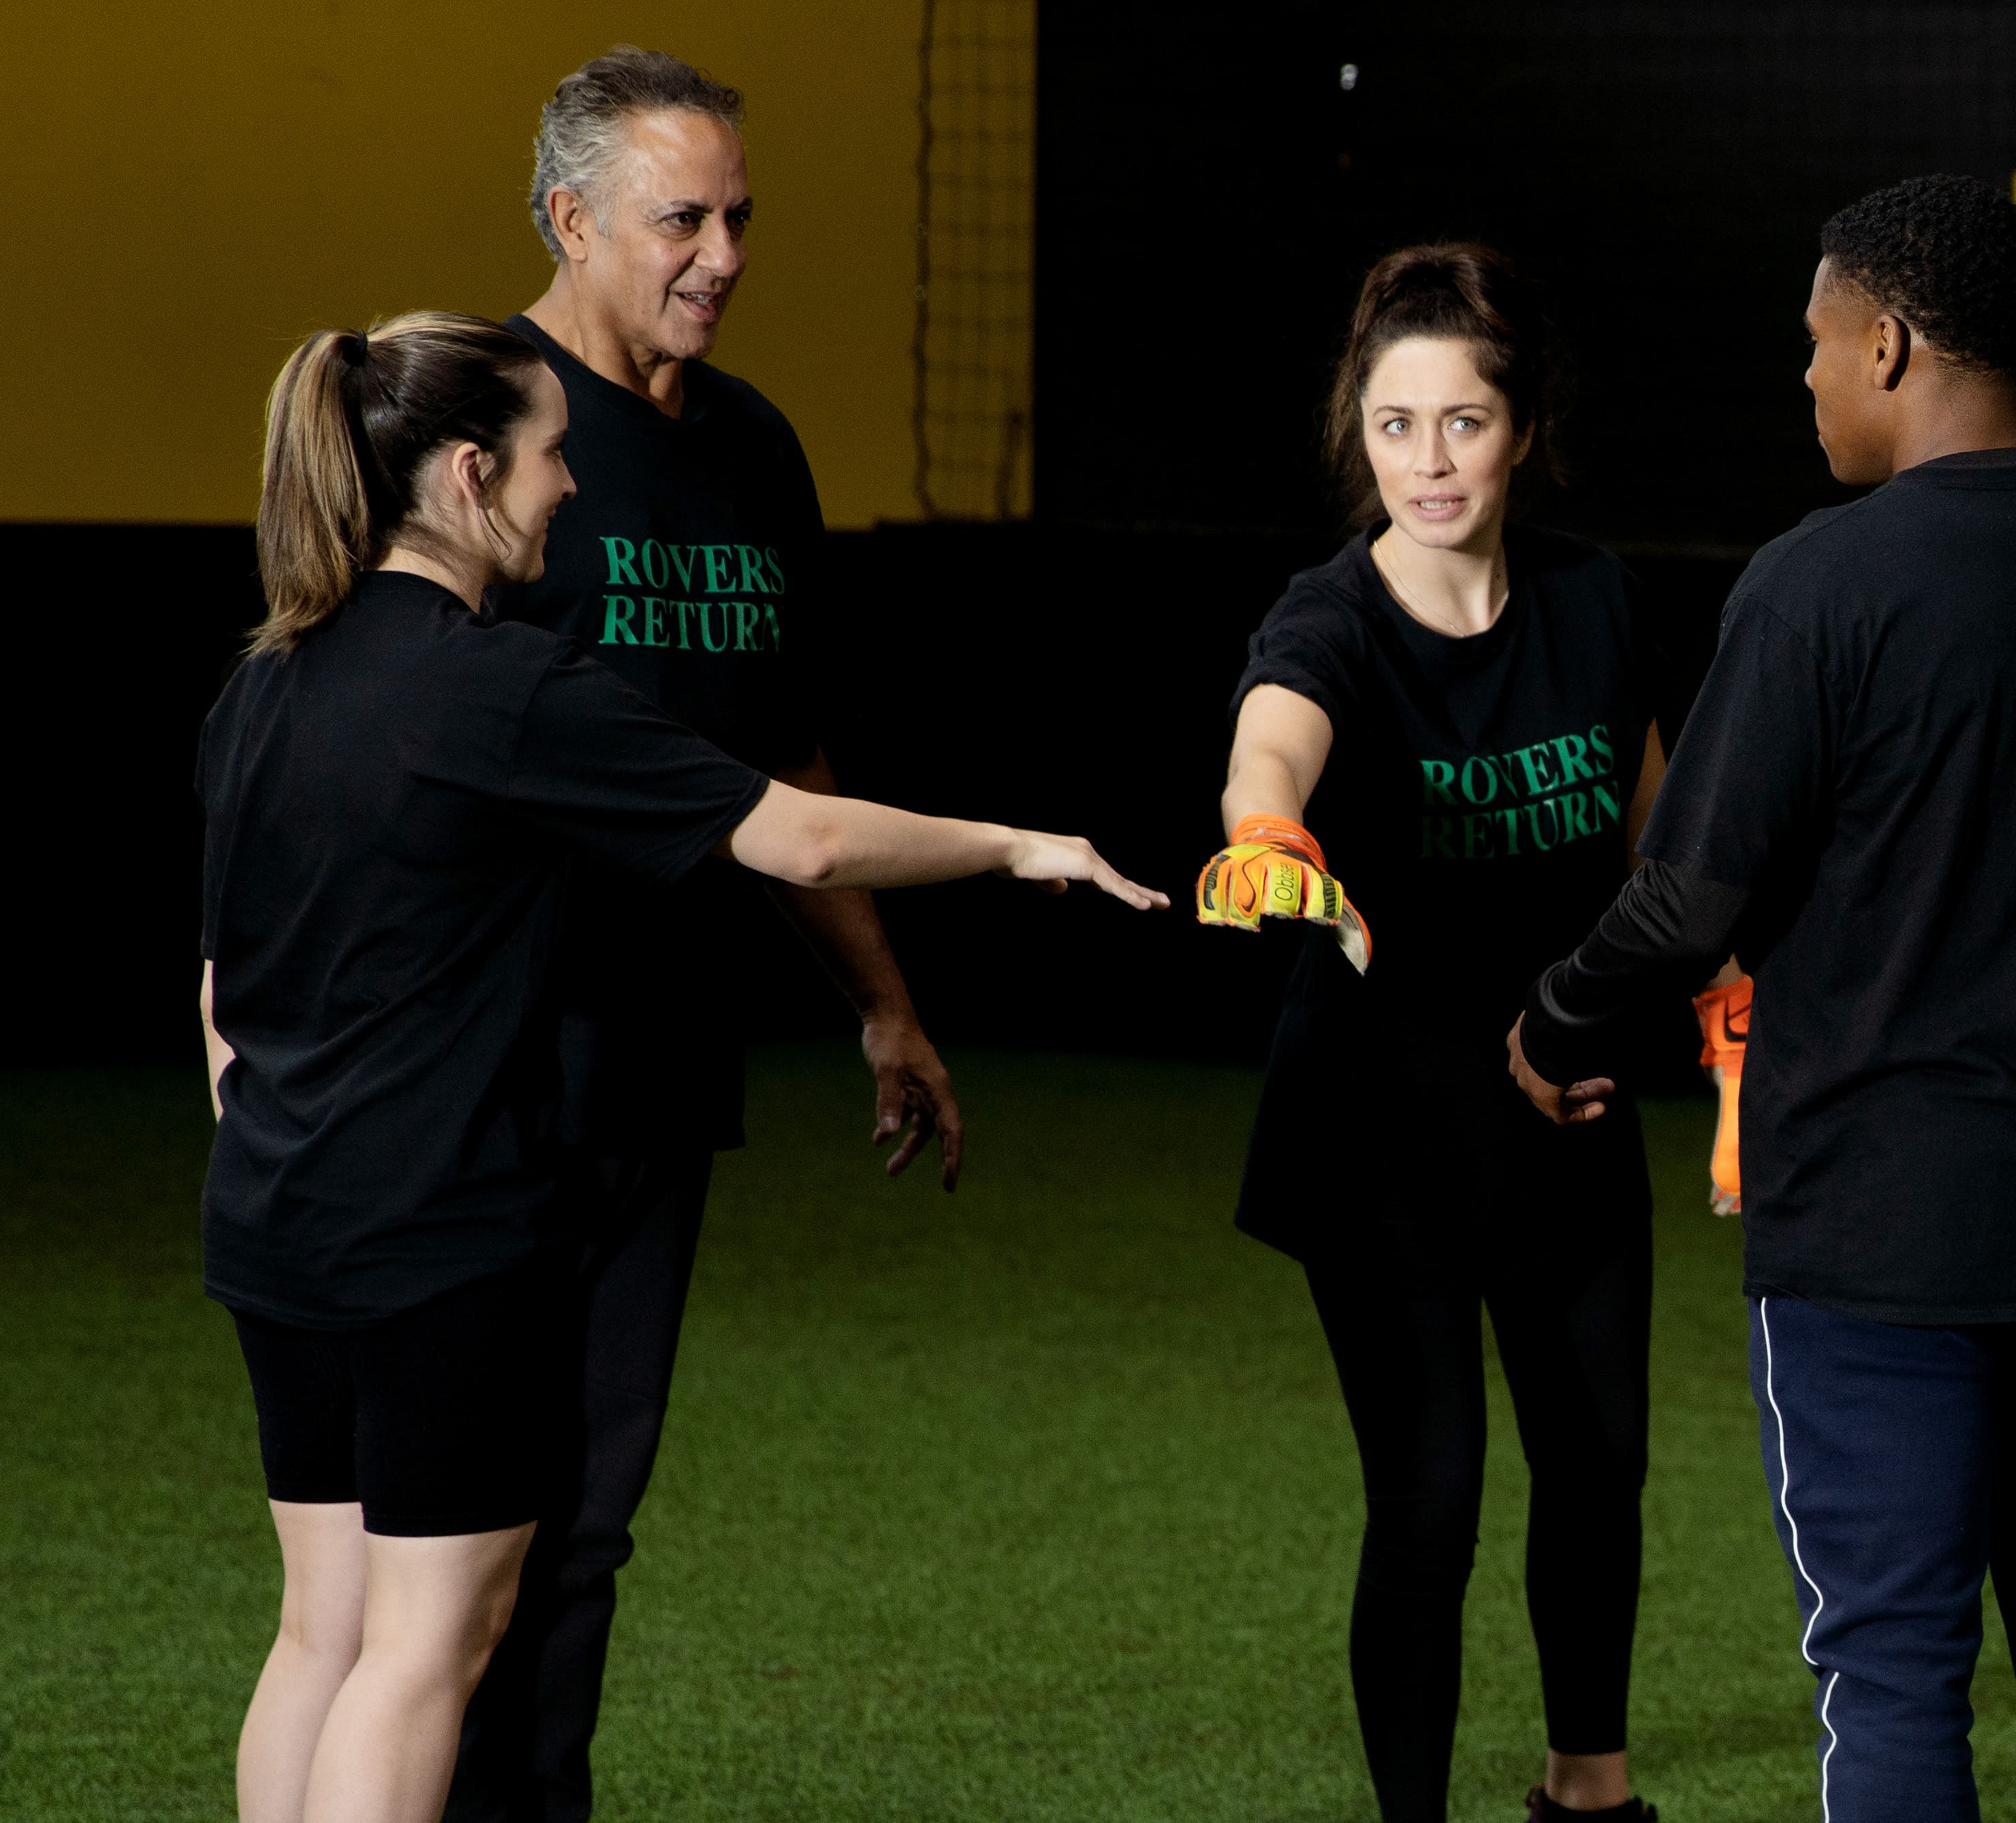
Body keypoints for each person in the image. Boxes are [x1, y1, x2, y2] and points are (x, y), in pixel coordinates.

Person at [200, 313, 1156, 1823]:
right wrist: (1022, 845)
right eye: (551, 455)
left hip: (274, 1227)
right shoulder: (502, 685)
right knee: (424, 1649)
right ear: (469, 476)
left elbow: (221, 997)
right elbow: (803, 837)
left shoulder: (263, 685)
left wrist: (290, 1151)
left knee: (321, 1629)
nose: (572, 485)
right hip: (438, 1241)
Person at [1509, 174, 2016, 1821]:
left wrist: (1551, 1022)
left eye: (1815, 340)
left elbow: (1687, 897)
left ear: (1890, 343)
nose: (1802, 374)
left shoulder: (1817, 585)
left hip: (1876, 1236)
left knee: (1893, 1665)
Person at [446, 50, 958, 1820]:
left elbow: (785, 765)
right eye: (683, 219)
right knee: (456, 1531)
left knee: (589, 1522)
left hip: (661, 1065)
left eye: (739, 216)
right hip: (478, 1068)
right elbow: (354, 730)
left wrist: (880, 1003)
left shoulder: (752, 448)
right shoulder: (464, 425)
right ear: (571, 219)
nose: (724, 256)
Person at [1201, 244, 1690, 1823]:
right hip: (1381, 1128)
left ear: (1522, 429)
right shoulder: (1328, 621)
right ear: (1360, 430)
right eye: (1395, 424)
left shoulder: (1594, 598)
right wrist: (1266, 831)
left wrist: (1721, 988)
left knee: (1598, 1465)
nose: (1428, 460)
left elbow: (1660, 842)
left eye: (1463, 422)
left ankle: (1588, 1793)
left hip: (1564, 1099)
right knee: (1431, 1497)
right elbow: (1270, 747)